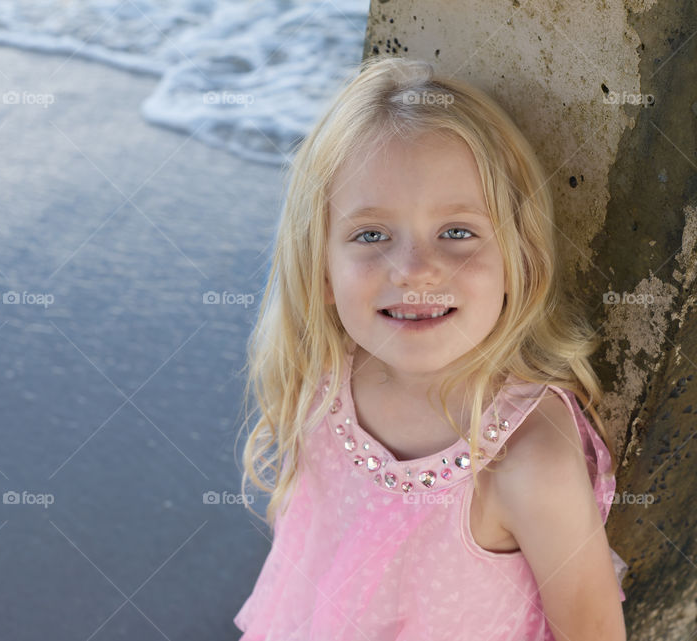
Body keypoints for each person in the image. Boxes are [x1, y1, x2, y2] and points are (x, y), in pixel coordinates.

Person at [233, 55, 629, 641]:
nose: (415, 271)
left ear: (517, 258)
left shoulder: (527, 459)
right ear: (320, 265)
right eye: (371, 235)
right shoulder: (325, 371)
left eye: (457, 232)